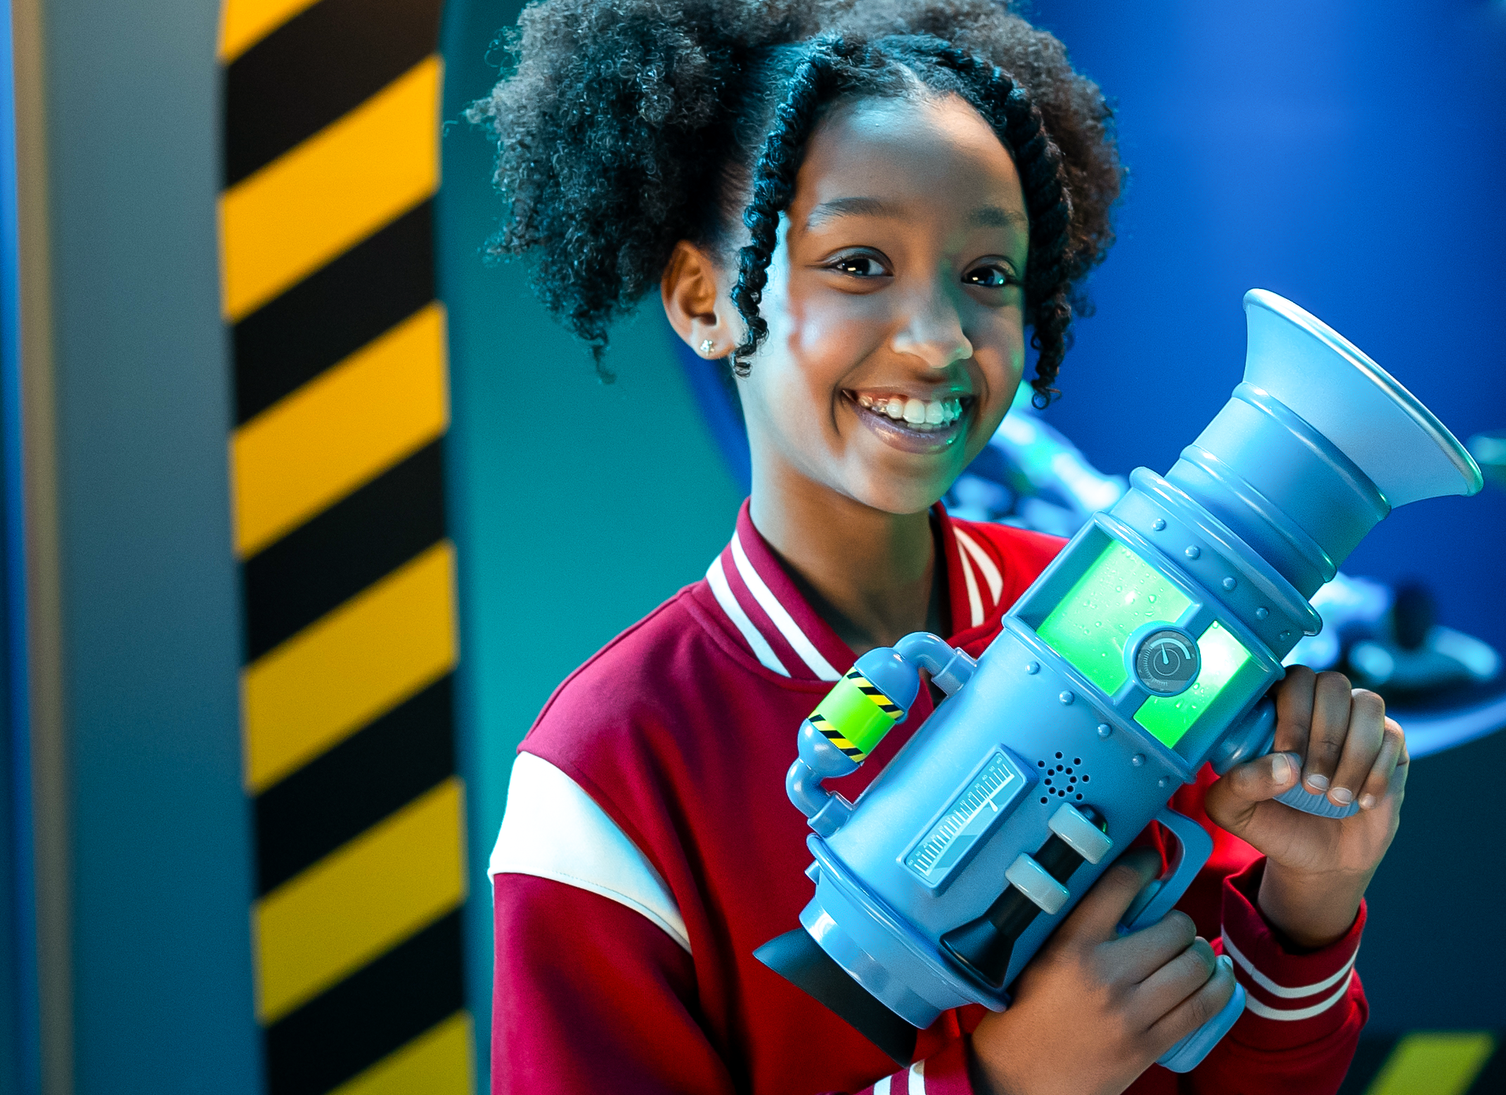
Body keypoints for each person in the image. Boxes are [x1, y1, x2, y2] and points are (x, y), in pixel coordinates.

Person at [472, 2, 1410, 1092]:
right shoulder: (607, 768)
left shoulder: (1112, 615)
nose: (936, 342)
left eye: (988, 276)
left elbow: (1252, 1079)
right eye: (859, 262)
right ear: (702, 299)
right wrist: (995, 1082)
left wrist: (1309, 904)